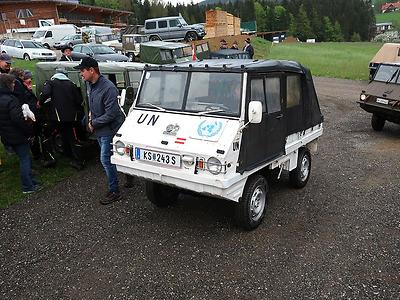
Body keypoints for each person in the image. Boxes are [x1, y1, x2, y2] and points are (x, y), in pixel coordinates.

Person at [74, 57, 125, 204]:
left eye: (82, 70)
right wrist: (90, 116)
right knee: (109, 159)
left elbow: (112, 114)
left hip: (108, 130)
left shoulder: (108, 88)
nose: (81, 74)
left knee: (105, 160)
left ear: (92, 70)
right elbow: (91, 104)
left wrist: (93, 123)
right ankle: (128, 177)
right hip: (98, 129)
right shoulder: (90, 84)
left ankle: (115, 191)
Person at [0, 73, 40, 193]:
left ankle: (31, 181)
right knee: (25, 159)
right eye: (12, 83)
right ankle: (28, 186)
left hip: (7, 135)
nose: (14, 85)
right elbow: (18, 119)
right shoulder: (11, 100)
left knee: (24, 158)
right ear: (7, 85)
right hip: (17, 135)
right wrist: (28, 131)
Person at [39, 67, 85, 170]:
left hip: (56, 117)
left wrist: (40, 103)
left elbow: (45, 94)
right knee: (73, 139)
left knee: (47, 136)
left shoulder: (51, 83)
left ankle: (49, 159)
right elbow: (79, 100)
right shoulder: (71, 84)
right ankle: (78, 162)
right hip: (72, 118)